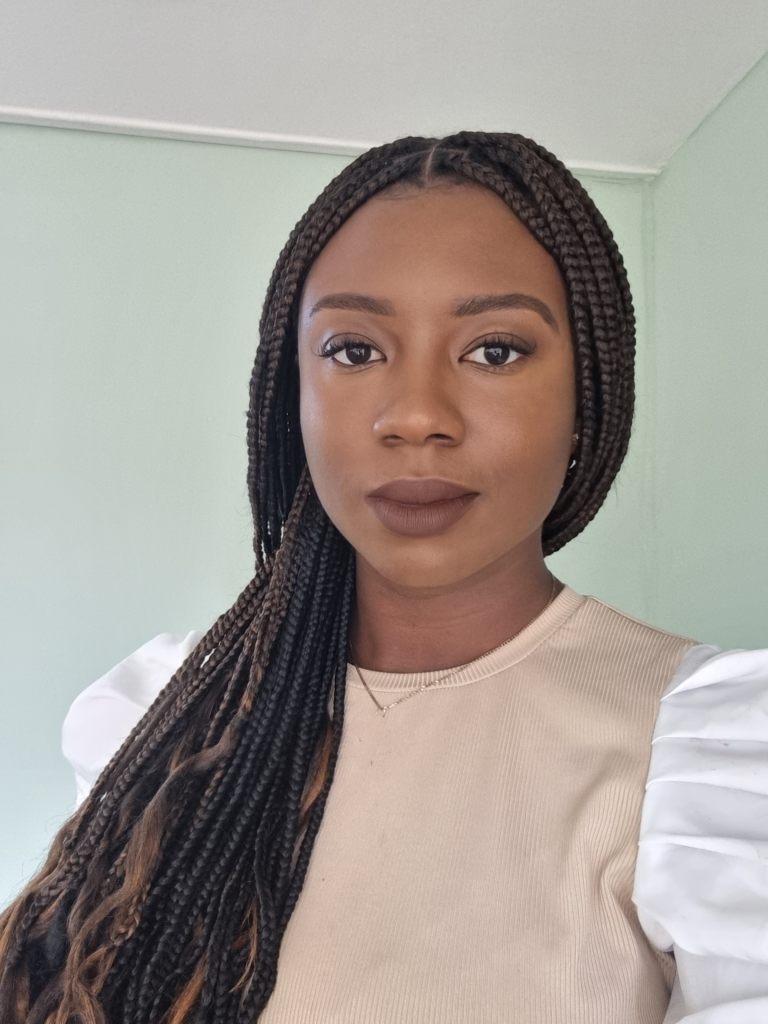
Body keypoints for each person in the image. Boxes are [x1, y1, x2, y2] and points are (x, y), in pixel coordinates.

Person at [1, 133, 766, 1024]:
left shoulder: (708, 761)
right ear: (291, 396)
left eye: (495, 350)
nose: (416, 417)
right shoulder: (164, 717)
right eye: (355, 351)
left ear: (587, 396)